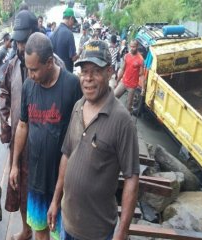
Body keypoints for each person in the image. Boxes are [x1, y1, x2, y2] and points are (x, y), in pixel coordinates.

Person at [47, 40, 140, 240]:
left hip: (97, 232)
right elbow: (66, 155)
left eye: (95, 71)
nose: (87, 79)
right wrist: (55, 201)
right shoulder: (78, 106)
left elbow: (132, 178)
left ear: (109, 72)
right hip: (67, 223)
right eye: (84, 71)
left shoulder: (122, 121)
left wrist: (122, 233)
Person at [0, 11, 66, 240]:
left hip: (54, 162)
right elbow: (14, 112)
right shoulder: (18, 73)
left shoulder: (64, 75)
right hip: (28, 153)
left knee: (53, 216)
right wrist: (13, 158)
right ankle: (26, 230)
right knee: (25, 198)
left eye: (35, 70)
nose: (19, 46)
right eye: (17, 41)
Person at [10, 32, 82, 240]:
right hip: (36, 176)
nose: (30, 74)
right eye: (27, 69)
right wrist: (15, 164)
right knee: (39, 229)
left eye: (34, 69)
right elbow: (23, 125)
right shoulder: (28, 86)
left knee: (59, 232)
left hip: (63, 179)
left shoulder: (71, 86)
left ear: (49, 62)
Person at [114, 39, 144, 113]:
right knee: (113, 97)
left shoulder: (140, 59)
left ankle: (127, 122)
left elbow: (142, 75)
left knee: (128, 107)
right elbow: (122, 70)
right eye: (130, 46)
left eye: (133, 47)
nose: (131, 48)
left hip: (132, 87)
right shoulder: (126, 56)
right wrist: (117, 81)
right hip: (124, 82)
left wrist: (143, 88)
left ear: (137, 46)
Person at [50, 8, 79, 73]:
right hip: (66, 74)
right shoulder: (69, 33)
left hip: (55, 73)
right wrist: (80, 51)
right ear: (71, 18)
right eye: (73, 22)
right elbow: (73, 58)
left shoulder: (54, 32)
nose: (73, 25)